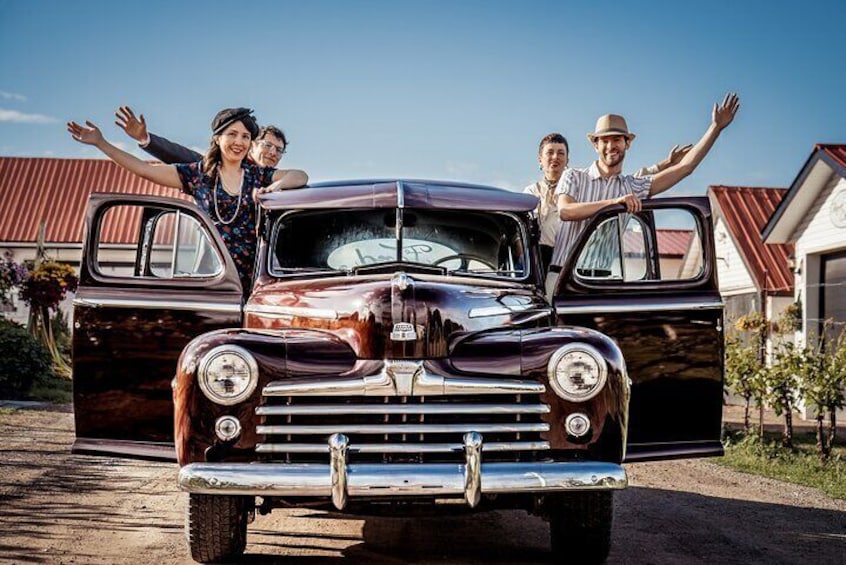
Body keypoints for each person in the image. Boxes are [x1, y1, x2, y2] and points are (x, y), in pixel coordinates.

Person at [67, 107, 309, 292]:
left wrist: (275, 186)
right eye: (232, 134)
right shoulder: (198, 175)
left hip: (255, 279)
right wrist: (101, 143)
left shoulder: (258, 176)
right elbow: (143, 169)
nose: (239, 142)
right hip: (214, 278)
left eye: (245, 137)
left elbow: (300, 175)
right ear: (217, 138)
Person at [551, 92, 740, 274]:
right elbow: (566, 211)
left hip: (600, 279)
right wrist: (615, 203)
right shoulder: (573, 176)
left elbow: (685, 167)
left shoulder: (633, 187)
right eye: (604, 141)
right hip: (561, 275)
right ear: (595, 145)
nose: (610, 146)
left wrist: (715, 128)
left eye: (617, 139)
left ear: (627, 143)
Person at [525, 133, 691, 274]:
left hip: (583, 264)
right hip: (544, 263)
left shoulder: (580, 183)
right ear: (540, 160)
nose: (556, 157)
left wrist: (666, 164)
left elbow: (638, 179)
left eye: (561, 153)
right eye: (550, 153)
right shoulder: (532, 193)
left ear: (568, 159)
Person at [114, 105, 288, 168]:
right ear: (253, 144)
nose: (273, 152)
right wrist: (146, 139)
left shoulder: (278, 184)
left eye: (279, 149)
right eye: (267, 145)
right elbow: (182, 156)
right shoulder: (220, 169)